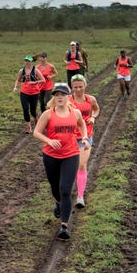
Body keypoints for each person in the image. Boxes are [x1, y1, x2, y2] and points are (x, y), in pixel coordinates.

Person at [33, 83, 90, 241]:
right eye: (56, 94)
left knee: (65, 189)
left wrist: (84, 138)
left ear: (68, 96)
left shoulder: (75, 113)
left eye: (62, 94)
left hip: (71, 155)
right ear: (54, 97)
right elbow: (36, 132)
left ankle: (64, 226)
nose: (59, 97)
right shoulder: (48, 114)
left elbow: (82, 125)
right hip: (50, 156)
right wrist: (49, 141)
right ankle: (58, 202)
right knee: (55, 187)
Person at [68, 74, 100, 208]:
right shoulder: (68, 100)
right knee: (70, 167)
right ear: (71, 87)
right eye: (75, 87)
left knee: (81, 164)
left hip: (85, 137)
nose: (78, 90)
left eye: (80, 86)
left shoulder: (90, 99)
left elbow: (96, 109)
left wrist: (93, 117)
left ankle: (80, 196)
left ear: (85, 86)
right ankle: (66, 191)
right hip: (69, 137)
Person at [13, 55, 45, 133]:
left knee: (33, 111)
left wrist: (35, 82)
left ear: (31, 62)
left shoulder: (35, 70)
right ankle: (29, 127)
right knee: (25, 109)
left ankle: (36, 118)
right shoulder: (21, 71)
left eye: (29, 61)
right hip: (24, 92)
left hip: (34, 93)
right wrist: (15, 87)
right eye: (26, 61)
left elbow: (43, 80)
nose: (27, 62)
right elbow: (18, 79)